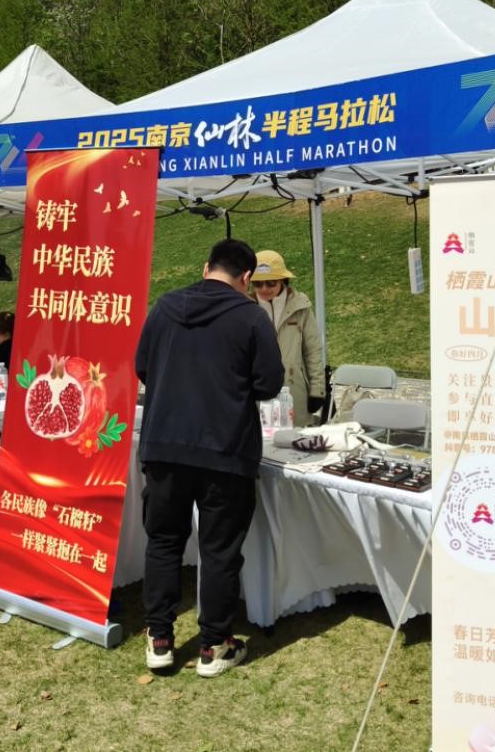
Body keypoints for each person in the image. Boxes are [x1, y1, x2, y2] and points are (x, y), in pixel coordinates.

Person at [134, 238, 284, 677]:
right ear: (246, 278)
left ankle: (159, 638)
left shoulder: (164, 307)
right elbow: (269, 384)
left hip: (165, 444)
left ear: (206, 268)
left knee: (163, 540)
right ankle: (214, 645)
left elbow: (143, 367)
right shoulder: (251, 317)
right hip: (225, 449)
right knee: (219, 549)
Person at [249, 250, 324, 427]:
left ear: (283, 280)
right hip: (257, 392)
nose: (264, 288)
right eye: (258, 283)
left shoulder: (301, 306)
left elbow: (313, 350)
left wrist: (317, 390)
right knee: (260, 439)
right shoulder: (244, 307)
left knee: (295, 439)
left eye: (271, 282)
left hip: (294, 389)